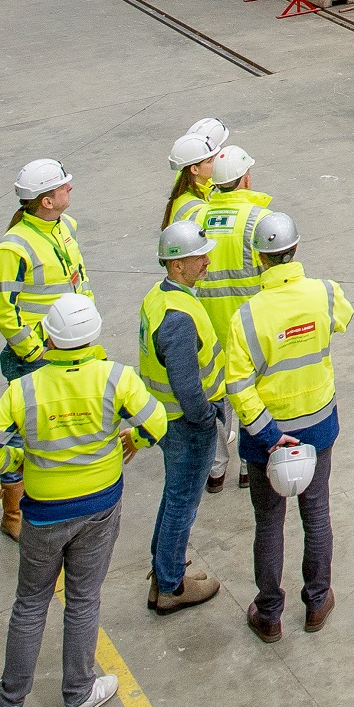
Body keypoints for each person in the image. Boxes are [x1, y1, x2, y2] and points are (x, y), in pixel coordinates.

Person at [0, 292, 165, 707]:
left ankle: (9, 704)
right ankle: (78, 695)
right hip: (99, 506)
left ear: (49, 339)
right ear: (94, 332)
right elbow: (156, 423)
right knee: (83, 599)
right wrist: (134, 441)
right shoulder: (117, 378)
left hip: (42, 514)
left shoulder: (25, 390)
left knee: (31, 602)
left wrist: (16, 465)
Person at [224, 212, 352, 642]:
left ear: (259, 258)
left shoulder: (245, 317)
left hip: (268, 442)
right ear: (295, 249)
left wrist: (268, 433)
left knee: (268, 523)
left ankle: (270, 614)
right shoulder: (324, 293)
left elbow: (238, 385)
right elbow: (344, 318)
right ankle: (317, 602)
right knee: (316, 515)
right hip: (318, 428)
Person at [0, 158, 90, 539]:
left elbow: (78, 280)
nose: (70, 189)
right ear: (45, 201)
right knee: (20, 428)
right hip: (37, 357)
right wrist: (33, 352)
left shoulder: (66, 228)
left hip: (69, 348)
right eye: (64, 186)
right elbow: (4, 310)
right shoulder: (12, 248)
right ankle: (13, 509)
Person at [139, 222, 225, 615]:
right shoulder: (178, 316)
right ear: (176, 266)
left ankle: (164, 571)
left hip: (167, 417)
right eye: (198, 256)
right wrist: (207, 417)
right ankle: (172, 585)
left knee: (174, 497)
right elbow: (187, 385)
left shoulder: (160, 297)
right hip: (185, 423)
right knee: (182, 503)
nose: (207, 260)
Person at [192, 144, 270, 493]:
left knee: (217, 399)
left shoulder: (198, 218)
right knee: (251, 393)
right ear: (245, 179)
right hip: (251, 326)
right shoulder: (258, 220)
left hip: (208, 328)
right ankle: (246, 468)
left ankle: (217, 468)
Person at [163, 131, 218, 229]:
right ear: (194, 169)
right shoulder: (192, 207)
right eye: (210, 161)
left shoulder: (194, 184)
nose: (216, 163)